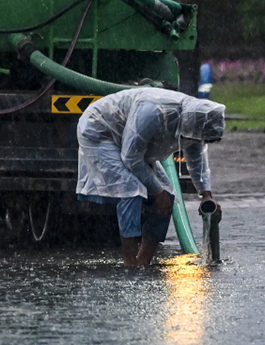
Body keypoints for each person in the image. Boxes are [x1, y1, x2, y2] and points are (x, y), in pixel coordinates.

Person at [76, 87, 225, 266]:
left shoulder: (195, 124)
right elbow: (130, 158)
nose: (200, 141)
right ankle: (130, 263)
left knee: (169, 196)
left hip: (131, 143)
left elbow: (197, 159)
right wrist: (156, 192)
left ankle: (143, 261)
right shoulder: (153, 112)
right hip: (100, 130)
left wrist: (206, 194)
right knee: (130, 189)